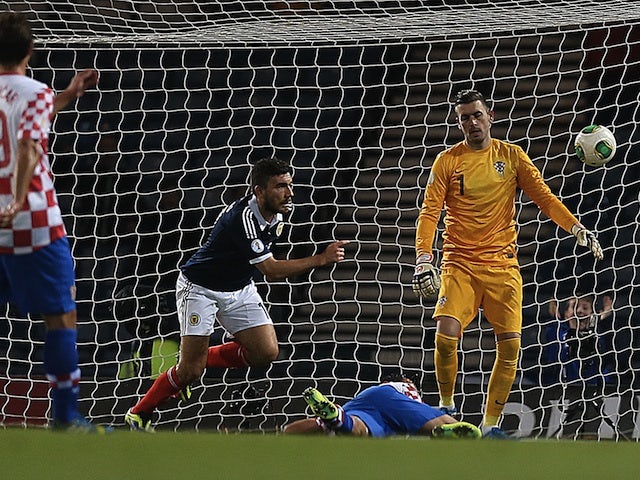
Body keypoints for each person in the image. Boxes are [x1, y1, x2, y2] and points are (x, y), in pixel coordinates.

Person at [412, 89, 604, 438]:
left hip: (502, 265)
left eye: (477, 115)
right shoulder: (448, 161)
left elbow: (544, 197)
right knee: (446, 335)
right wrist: (425, 258)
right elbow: (429, 213)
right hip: (460, 262)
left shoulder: (512, 156)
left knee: (511, 344)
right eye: (465, 118)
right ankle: (446, 406)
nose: (472, 122)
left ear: (491, 116)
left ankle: (490, 425)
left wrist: (576, 226)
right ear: (459, 124)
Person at [125, 157, 349, 431]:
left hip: (239, 287)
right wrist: (321, 259)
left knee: (265, 351)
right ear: (259, 190)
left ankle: (193, 362)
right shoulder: (242, 218)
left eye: (290, 185)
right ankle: (139, 412)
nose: (289, 193)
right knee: (190, 371)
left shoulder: (277, 214)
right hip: (200, 288)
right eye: (280, 186)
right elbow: (271, 270)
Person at [0, 12, 106, 432]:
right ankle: (66, 420)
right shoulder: (35, 91)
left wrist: (69, 93)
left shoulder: (40, 97)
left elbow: (30, 120)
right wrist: (17, 198)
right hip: (33, 221)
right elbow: (27, 144)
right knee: (61, 315)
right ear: (30, 51)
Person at [283, 374, 481, 438]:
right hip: (393, 400)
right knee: (448, 422)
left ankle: (336, 417)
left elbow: (288, 431)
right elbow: (413, 410)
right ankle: (441, 432)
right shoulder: (407, 390)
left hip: (361, 403)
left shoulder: (373, 390)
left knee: (357, 428)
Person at [552, 294, 616, 438]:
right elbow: (555, 360)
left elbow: (604, 361)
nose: (579, 312)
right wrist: (572, 331)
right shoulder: (556, 333)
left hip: (594, 391)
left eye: (585, 308)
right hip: (563, 390)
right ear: (565, 313)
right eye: (574, 307)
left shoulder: (599, 336)